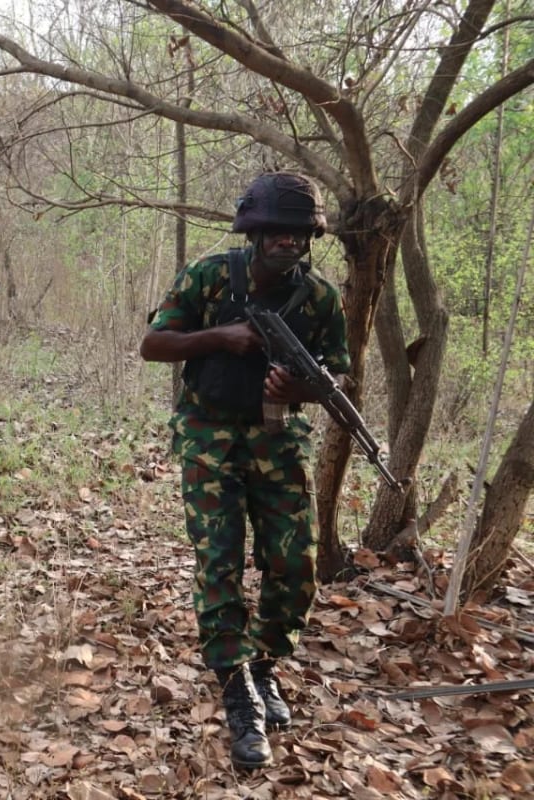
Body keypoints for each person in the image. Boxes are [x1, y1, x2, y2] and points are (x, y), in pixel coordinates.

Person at [139, 172, 349, 771]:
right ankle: (237, 692)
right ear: (254, 232)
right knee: (220, 561)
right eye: (277, 231)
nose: (288, 241)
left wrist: (302, 388)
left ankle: (264, 665)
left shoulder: (320, 298)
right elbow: (154, 344)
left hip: (278, 439)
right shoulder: (209, 276)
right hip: (209, 437)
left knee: (295, 563)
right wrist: (219, 338)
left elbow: (340, 372)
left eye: (298, 234)